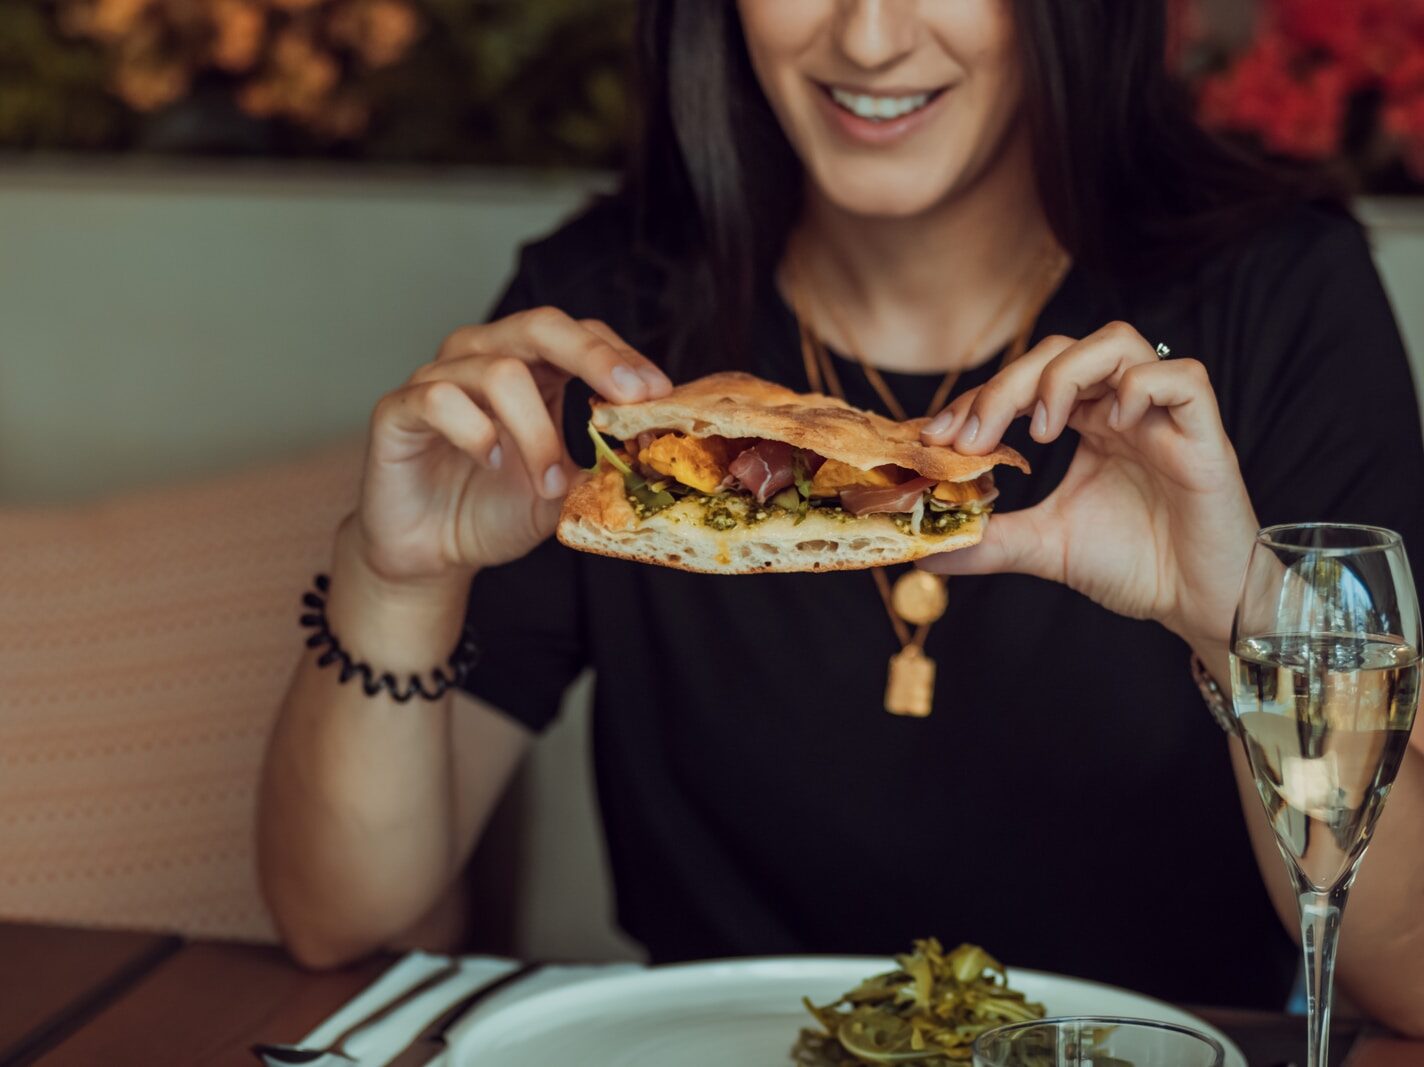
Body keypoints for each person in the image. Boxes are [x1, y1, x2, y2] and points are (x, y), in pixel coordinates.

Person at [257, 0, 1424, 1031]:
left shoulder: (1275, 303)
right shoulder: (603, 334)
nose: (867, 34)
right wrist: (395, 577)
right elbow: (341, 924)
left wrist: (1233, 621)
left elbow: (1407, 973)